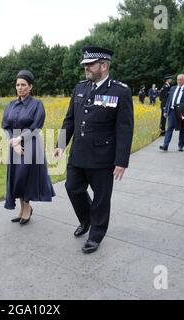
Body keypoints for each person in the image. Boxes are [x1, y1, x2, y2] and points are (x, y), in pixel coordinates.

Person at [53, 46, 134, 254]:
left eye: (90, 65)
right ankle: (87, 220)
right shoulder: (80, 88)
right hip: (79, 153)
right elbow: (69, 119)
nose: (86, 68)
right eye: (85, 65)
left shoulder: (119, 91)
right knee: (72, 187)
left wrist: (121, 160)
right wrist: (61, 144)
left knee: (101, 198)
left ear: (104, 66)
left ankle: (96, 235)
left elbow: (124, 129)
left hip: (102, 158)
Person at [2, 70, 55, 225]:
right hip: (15, 146)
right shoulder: (11, 105)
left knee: (25, 177)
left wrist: (19, 139)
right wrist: (13, 141)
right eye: (18, 85)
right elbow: (5, 125)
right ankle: (22, 209)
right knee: (16, 178)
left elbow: (36, 126)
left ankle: (27, 209)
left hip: (30, 144)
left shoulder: (37, 104)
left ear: (30, 87)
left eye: (23, 85)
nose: (20, 88)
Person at [159, 74, 184, 152]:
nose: (179, 81)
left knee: (182, 129)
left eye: (181, 79)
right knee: (169, 128)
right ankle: (165, 145)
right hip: (172, 111)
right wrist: (166, 111)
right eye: (178, 79)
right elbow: (169, 100)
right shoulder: (173, 88)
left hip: (182, 111)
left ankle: (181, 146)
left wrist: (182, 106)